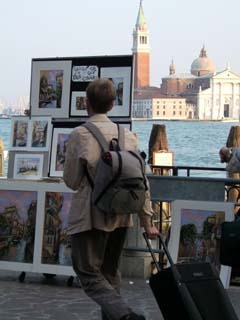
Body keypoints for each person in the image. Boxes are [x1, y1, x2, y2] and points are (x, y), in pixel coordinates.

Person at [63, 78, 159, 320]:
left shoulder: (79, 135)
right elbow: (142, 183)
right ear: (113, 103)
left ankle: (125, 316)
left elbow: (72, 181)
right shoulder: (127, 136)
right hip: (121, 214)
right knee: (109, 272)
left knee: (88, 272)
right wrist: (147, 221)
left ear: (87, 103)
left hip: (91, 215)